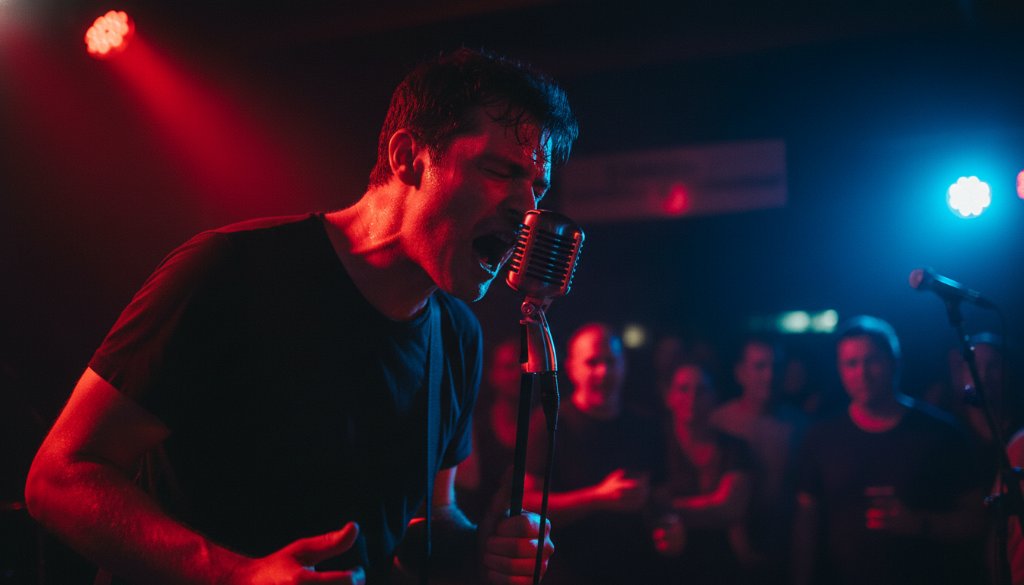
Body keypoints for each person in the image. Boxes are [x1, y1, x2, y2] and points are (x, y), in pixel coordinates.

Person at [24, 48, 578, 584]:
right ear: (409, 157)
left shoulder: (457, 336)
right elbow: (60, 477)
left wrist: (479, 549)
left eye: (538, 187)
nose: (527, 211)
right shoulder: (232, 270)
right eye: (499, 170)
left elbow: (425, 520)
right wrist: (233, 575)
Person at [792, 315, 985, 585]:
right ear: (840, 369)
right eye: (851, 363)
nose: (862, 373)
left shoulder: (941, 434)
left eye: (872, 360)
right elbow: (806, 524)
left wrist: (919, 523)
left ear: (895, 362)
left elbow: (978, 521)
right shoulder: (821, 437)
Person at [522, 323, 668, 584]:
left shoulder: (645, 425)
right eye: (592, 362)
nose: (603, 372)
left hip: (636, 570)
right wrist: (598, 498)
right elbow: (528, 503)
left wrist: (669, 524)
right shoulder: (549, 422)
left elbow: (660, 495)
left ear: (624, 365)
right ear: (571, 368)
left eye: (610, 361)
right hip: (569, 572)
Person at [709, 336, 803, 581]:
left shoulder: (800, 426)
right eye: (760, 366)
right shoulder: (719, 422)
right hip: (722, 559)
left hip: (785, 556)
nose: (769, 375)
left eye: (776, 366)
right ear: (741, 373)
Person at [656, 361, 753, 584]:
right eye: (683, 389)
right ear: (669, 396)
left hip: (722, 568)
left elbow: (729, 508)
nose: (692, 398)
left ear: (714, 396)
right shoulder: (655, 446)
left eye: (701, 390)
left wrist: (668, 510)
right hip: (666, 570)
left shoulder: (735, 448)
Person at [455, 337, 520, 523]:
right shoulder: (476, 424)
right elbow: (468, 487)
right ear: (492, 374)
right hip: (480, 522)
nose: (517, 374)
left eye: (523, 367)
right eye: (508, 367)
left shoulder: (544, 423)